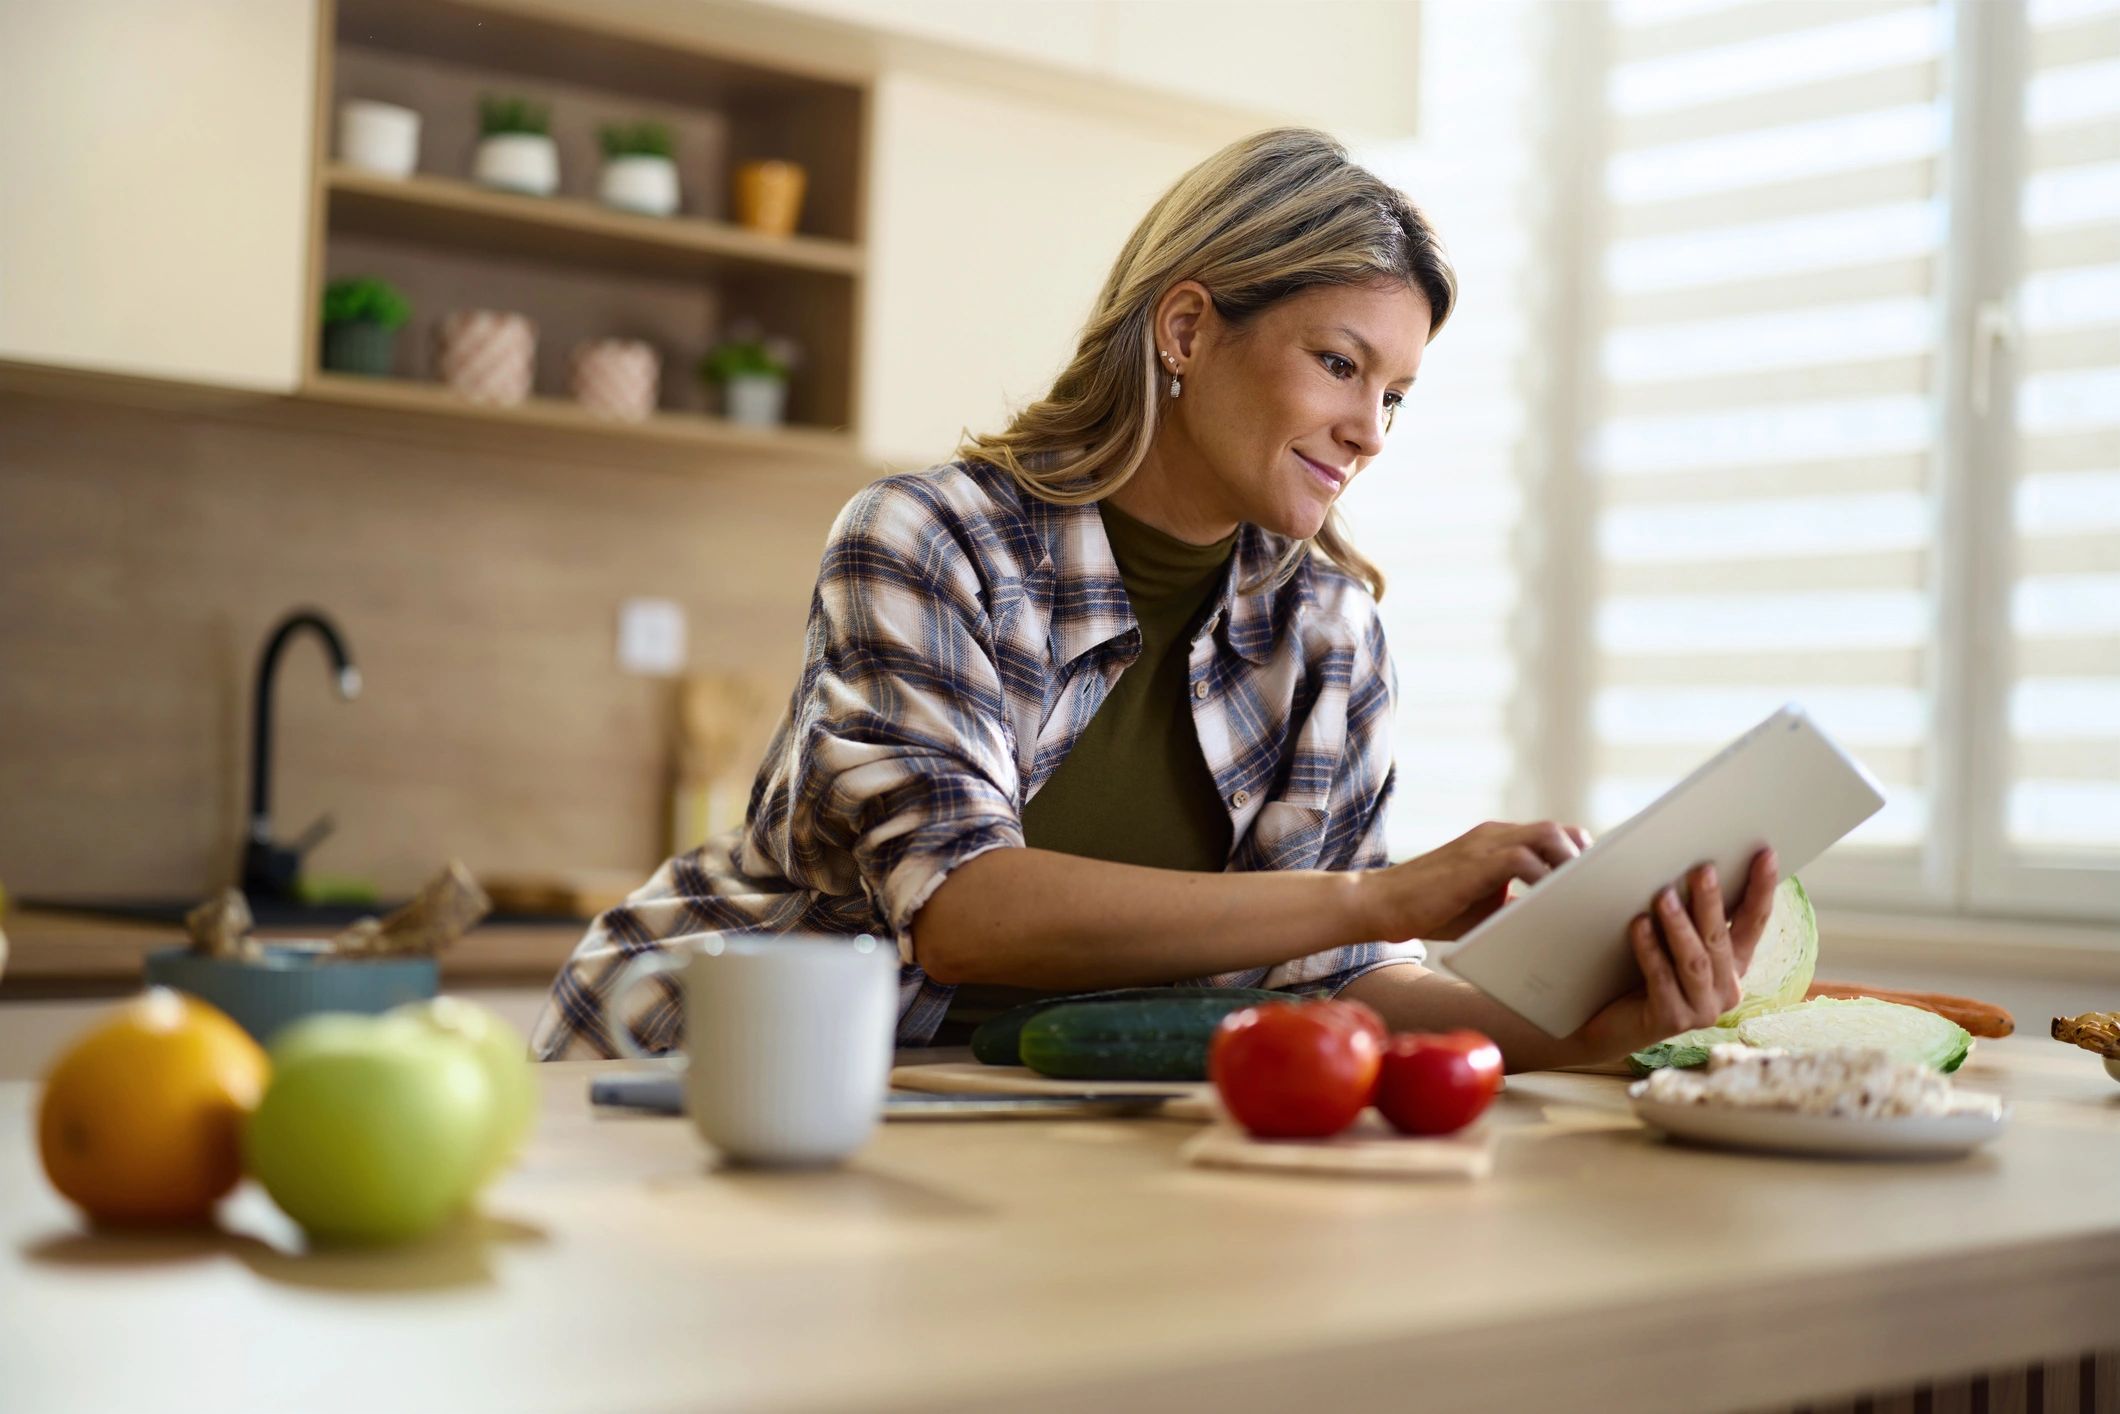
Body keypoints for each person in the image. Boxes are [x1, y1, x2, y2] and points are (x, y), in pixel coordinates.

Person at [529, 127, 1779, 1069]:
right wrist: (1382, 897)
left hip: (1014, 1114)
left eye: (1393, 394)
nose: (1367, 430)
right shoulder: (927, 540)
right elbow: (964, 917)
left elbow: (1332, 980)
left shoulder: (1328, 636)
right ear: (1185, 328)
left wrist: (1589, 1028)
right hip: (706, 1070)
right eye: (1338, 364)